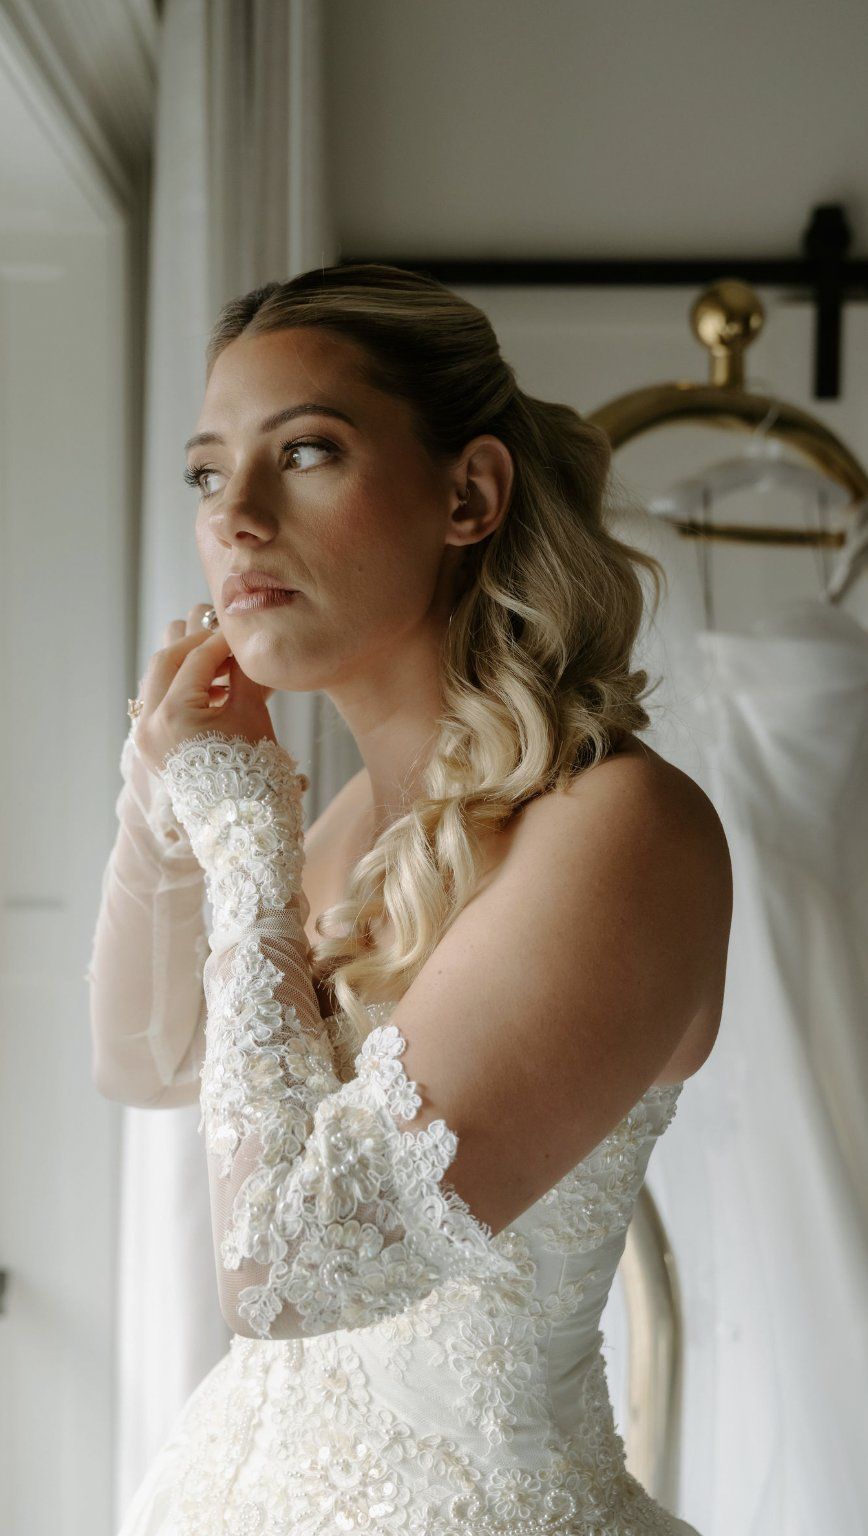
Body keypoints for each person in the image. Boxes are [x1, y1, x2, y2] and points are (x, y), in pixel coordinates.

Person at [89, 262, 732, 1535]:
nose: (236, 518)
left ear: (468, 494)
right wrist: (160, 799)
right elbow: (141, 1060)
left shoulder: (620, 833)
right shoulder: (342, 825)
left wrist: (243, 834)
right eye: (207, 474)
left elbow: (285, 1273)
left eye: (305, 452)